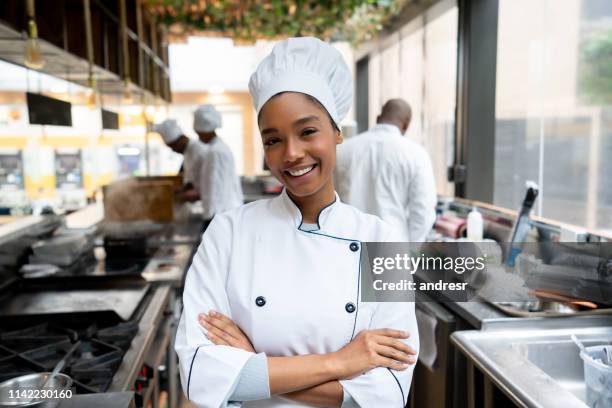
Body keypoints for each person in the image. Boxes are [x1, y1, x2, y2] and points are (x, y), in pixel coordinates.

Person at [175, 37, 419, 408]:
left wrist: (255, 364)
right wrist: (341, 362)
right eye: (273, 140)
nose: (291, 154)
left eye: (308, 131)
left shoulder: (382, 240)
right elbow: (201, 375)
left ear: (337, 132)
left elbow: (388, 394)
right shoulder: (228, 232)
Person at [335, 99, 437, 242]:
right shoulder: (415, 154)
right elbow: (423, 212)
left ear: (378, 119)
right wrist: (411, 248)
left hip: (347, 243)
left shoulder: (342, 150)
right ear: (406, 125)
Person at [154, 105, 243, 227]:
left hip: (221, 212)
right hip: (219, 212)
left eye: (199, 133)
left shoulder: (215, 151)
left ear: (206, 131)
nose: (199, 136)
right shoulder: (215, 149)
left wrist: (209, 217)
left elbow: (214, 188)